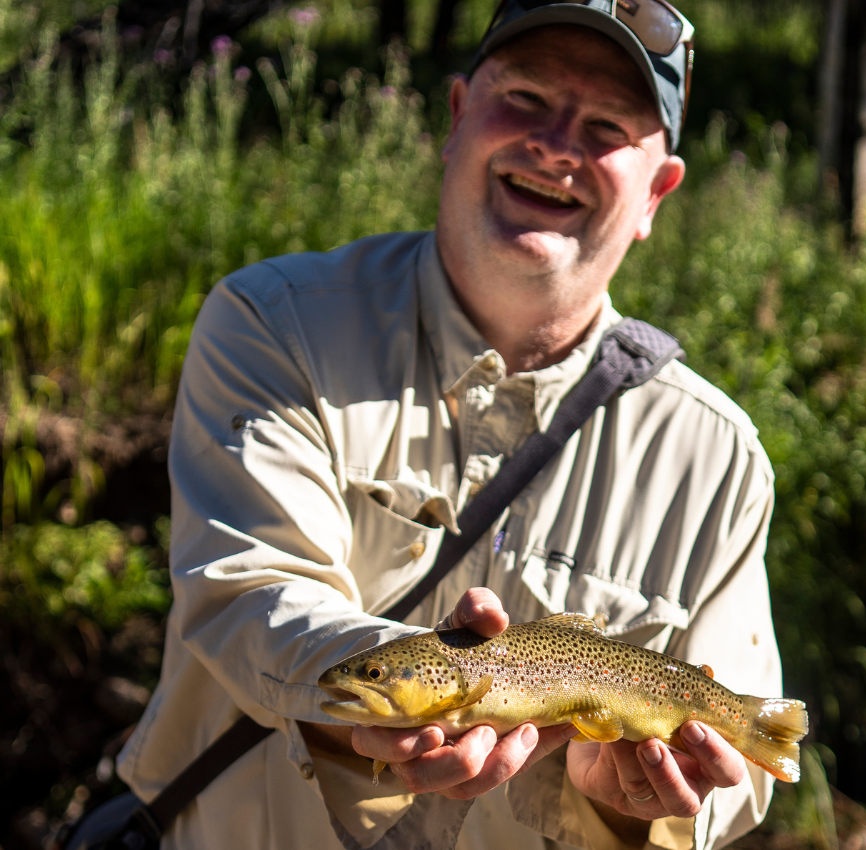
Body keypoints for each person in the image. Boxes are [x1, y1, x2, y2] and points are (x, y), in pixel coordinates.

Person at [116, 1, 783, 848]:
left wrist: (630, 797)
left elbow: (735, 776)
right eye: (528, 99)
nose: (555, 145)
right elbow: (248, 592)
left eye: (607, 125)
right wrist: (399, 692)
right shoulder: (275, 325)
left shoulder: (718, 460)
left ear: (657, 193)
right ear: (459, 114)